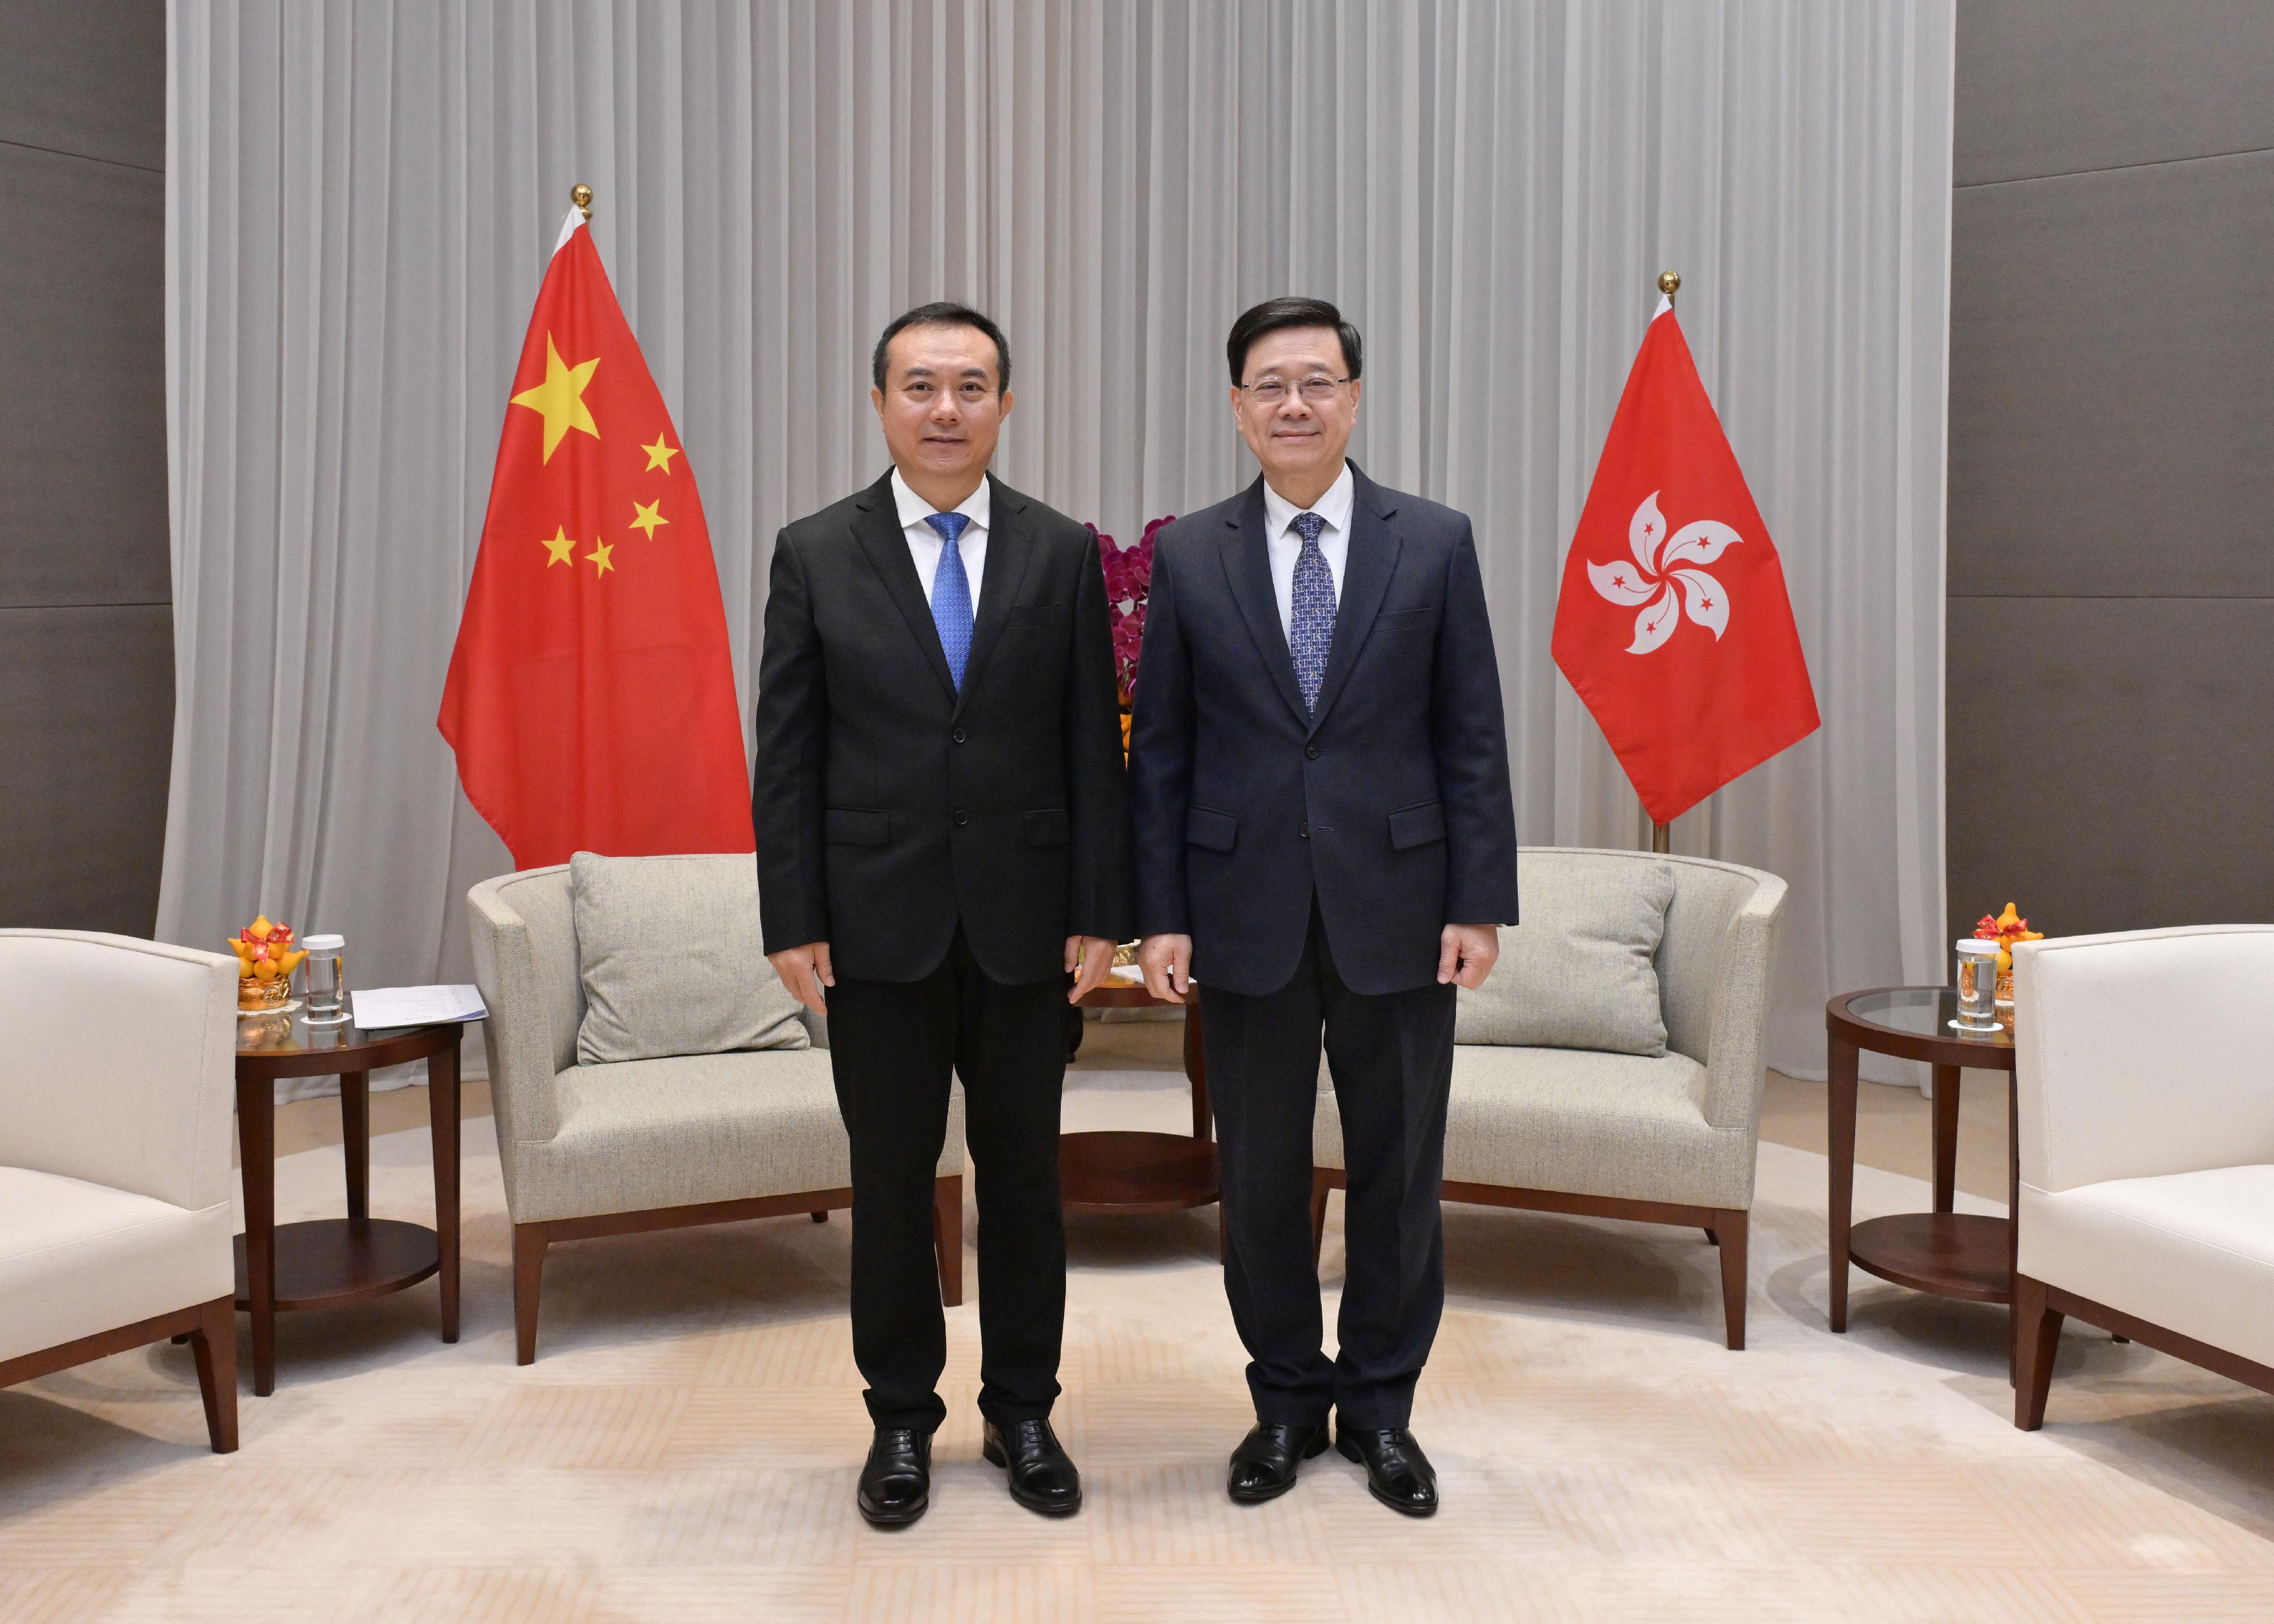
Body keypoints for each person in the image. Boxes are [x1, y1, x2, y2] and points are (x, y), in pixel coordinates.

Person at [1127, 296, 1519, 1517]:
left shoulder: (1433, 540)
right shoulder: (1191, 553)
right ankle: (1285, 1404)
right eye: (1266, 385)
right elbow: (1166, 756)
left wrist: (1476, 898)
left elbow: (1470, 737)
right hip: (1240, 908)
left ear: (1352, 396)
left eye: (1314, 382)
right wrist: (1162, 913)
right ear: (1236, 405)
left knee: (1398, 1171)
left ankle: (1384, 1408)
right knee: (1254, 1172)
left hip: (1400, 907)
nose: (1291, 405)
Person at [753, 302, 1131, 1528]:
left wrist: (1099, 913)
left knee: (1024, 1180)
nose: (945, 409)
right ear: (879, 404)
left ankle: (1023, 1409)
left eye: (970, 386)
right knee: (889, 1181)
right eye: (920, 385)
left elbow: (1091, 747)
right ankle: (900, 1422)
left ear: (1006, 405)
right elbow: (790, 757)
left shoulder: (1059, 551)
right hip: (875, 926)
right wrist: (791, 914)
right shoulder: (815, 550)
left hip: (1028, 926)